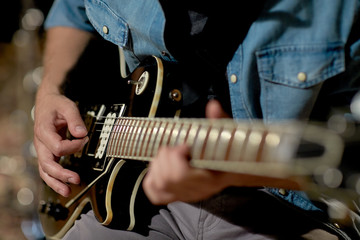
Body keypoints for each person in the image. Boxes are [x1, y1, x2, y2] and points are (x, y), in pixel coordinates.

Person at [33, 0, 360, 239]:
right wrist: (49, 91)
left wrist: (230, 175)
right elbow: (71, 10)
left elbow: (346, 163)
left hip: (292, 210)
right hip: (138, 193)